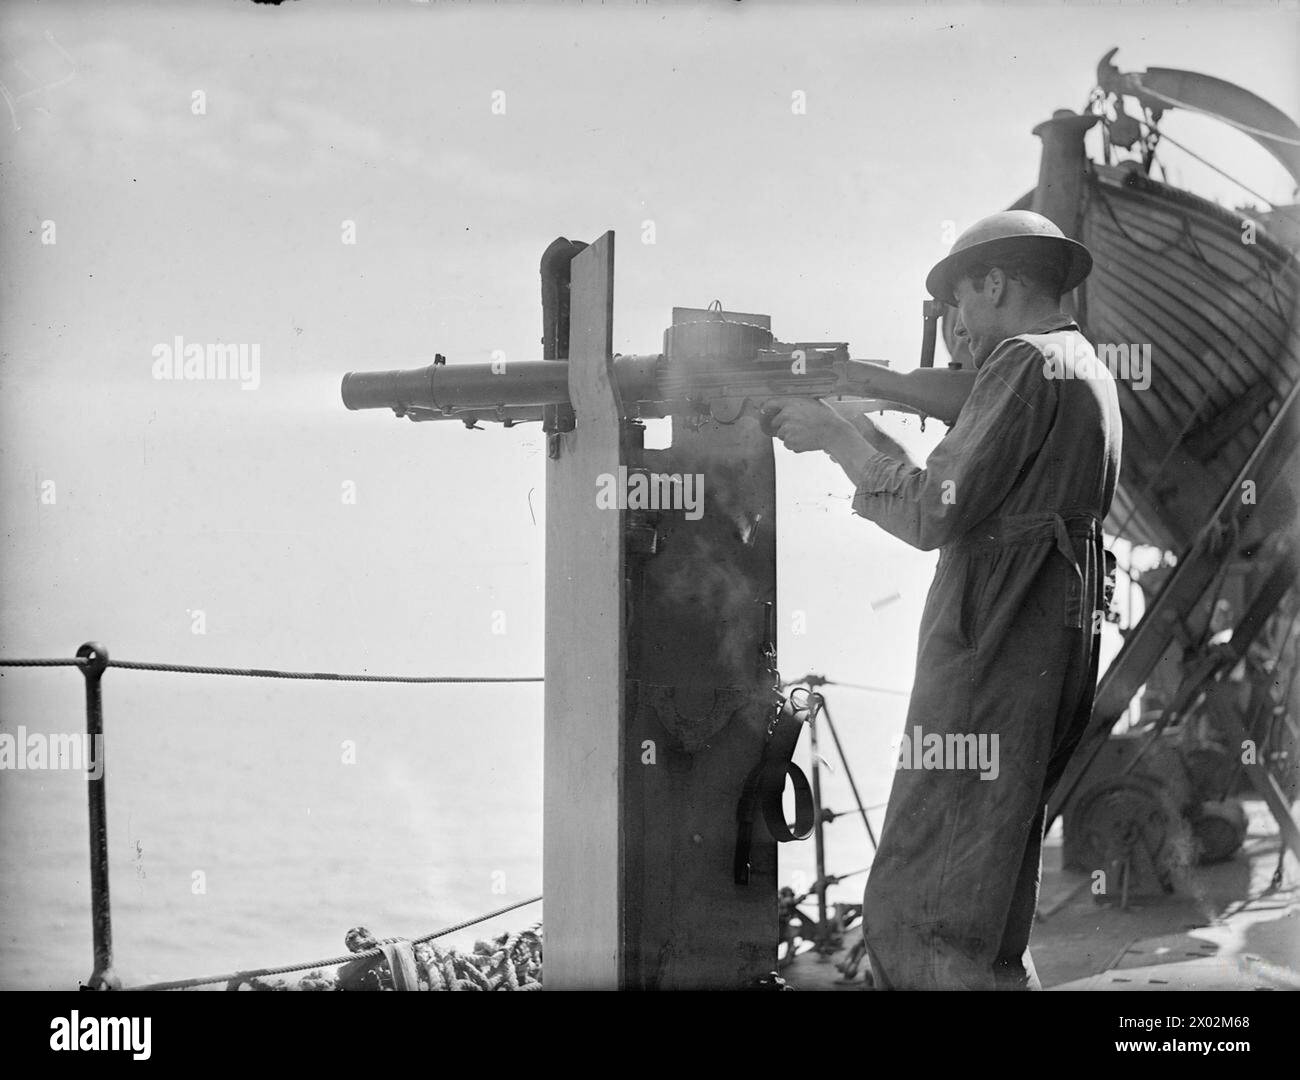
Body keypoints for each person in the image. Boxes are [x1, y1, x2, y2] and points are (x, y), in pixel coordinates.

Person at [764, 210, 1122, 990]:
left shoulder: (1024, 364)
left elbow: (931, 514)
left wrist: (833, 439)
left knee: (919, 912)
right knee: (980, 909)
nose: (955, 322)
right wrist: (865, 422)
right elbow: (970, 498)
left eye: (960, 298)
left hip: (991, 648)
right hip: (1038, 649)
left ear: (994, 282)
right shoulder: (1078, 364)